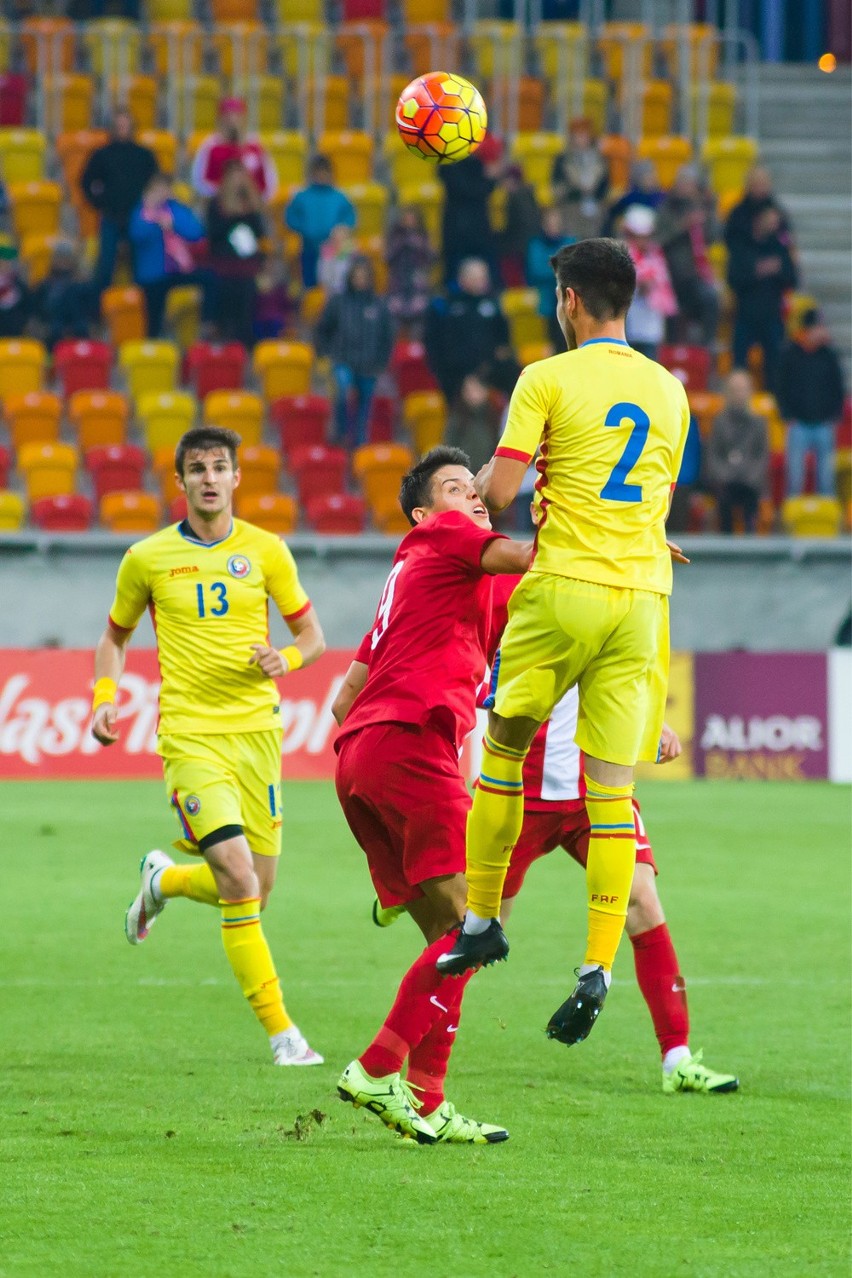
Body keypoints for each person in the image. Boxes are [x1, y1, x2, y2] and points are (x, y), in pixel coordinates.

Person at [438, 238, 691, 1056]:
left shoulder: (547, 377)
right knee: (613, 797)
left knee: (504, 750)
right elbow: (651, 503)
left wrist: (475, 486)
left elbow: (505, 492)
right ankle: (596, 970)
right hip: (644, 600)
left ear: (570, 301)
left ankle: (480, 921)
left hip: (567, 586)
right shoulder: (671, 389)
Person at [91, 425, 325, 1067]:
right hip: (191, 737)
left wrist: (288, 660)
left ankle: (163, 880)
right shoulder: (147, 558)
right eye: (198, 470)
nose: (210, 479)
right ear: (181, 482)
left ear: (236, 477)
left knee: (253, 889)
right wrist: (103, 696)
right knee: (242, 882)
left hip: (258, 736)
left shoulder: (268, 551)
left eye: (220, 467)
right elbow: (114, 637)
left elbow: (313, 636)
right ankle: (284, 1035)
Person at [331, 446, 532, 1144]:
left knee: (454, 942)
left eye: (475, 485)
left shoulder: (429, 574)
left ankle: (426, 1099)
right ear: (423, 512)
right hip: (409, 745)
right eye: (456, 487)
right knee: (473, 929)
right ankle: (378, 1067)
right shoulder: (441, 537)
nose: (475, 493)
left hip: (363, 755)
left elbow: (340, 697)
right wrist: (619, 539)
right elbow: (527, 559)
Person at [314, 257, 394, 449]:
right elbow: (322, 329)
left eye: (363, 276)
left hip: (369, 364)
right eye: (356, 276)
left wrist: (381, 362)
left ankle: (359, 442)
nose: (360, 280)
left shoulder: (379, 305)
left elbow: (387, 337)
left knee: (365, 405)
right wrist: (325, 353)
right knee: (342, 392)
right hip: (343, 359)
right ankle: (341, 433)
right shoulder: (338, 302)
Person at [80, 108, 158, 293]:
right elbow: (86, 181)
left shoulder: (144, 155)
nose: (122, 129)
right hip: (111, 216)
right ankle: (99, 311)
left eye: (126, 125)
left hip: (139, 217)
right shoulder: (101, 155)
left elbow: (156, 182)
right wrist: (100, 202)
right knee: (105, 267)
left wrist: (149, 206)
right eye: (119, 125)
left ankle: (139, 309)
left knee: (140, 268)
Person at [424, 257, 516, 405]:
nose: (482, 282)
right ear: (462, 279)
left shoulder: (493, 304)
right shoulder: (446, 307)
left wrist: (484, 375)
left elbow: (503, 342)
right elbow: (440, 348)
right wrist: (467, 379)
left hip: (489, 371)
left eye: (483, 278)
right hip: (456, 375)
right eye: (476, 278)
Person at [727, 203, 797, 392]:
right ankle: (738, 397)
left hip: (772, 315)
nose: (774, 226)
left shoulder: (780, 247)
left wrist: (778, 270)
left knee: (774, 364)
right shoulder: (742, 246)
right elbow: (733, 278)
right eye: (770, 221)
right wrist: (758, 270)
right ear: (759, 220)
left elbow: (793, 278)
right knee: (739, 362)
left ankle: (772, 404)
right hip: (745, 314)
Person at [777, 308, 846, 498]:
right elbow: (780, 386)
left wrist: (834, 416)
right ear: (808, 329)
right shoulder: (790, 353)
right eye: (819, 327)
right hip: (798, 423)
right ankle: (792, 520)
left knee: (826, 480)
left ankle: (826, 522)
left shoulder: (829, 355)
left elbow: (838, 388)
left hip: (823, 424)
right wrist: (787, 414)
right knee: (795, 479)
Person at [128, 172, 207, 338]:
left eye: (165, 188)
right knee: (154, 306)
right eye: (157, 189)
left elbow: (196, 232)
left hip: (179, 270)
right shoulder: (140, 213)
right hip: (153, 275)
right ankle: (153, 339)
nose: (161, 193)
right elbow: (137, 236)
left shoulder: (176, 210)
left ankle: (207, 326)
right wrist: (154, 221)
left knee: (210, 280)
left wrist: (173, 225)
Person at [655, 165, 720, 348]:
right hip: (669, 275)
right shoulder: (665, 208)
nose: (685, 188)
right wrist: (683, 225)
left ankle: (705, 348)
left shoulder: (700, 208)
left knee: (710, 299)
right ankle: (670, 351)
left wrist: (711, 210)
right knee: (670, 313)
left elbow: (714, 236)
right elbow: (658, 240)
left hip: (694, 275)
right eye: (682, 183)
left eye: (689, 184)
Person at [205, 159, 266, 348]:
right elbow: (213, 234)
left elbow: (259, 232)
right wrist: (234, 216)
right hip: (225, 265)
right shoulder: (217, 204)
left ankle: (244, 344)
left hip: (247, 266)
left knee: (248, 302)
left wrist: (246, 211)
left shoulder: (251, 202)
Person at [704, 370, 769, 533]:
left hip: (749, 482)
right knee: (723, 498)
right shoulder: (719, 421)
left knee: (751, 500)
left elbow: (761, 457)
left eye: (742, 390)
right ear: (727, 393)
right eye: (734, 390)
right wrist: (726, 475)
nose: (739, 394)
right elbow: (713, 455)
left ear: (750, 392)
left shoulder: (759, 423)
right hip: (725, 481)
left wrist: (748, 476)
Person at [285, 155, 355, 289]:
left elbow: (349, 218)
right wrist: (304, 229)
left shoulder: (339, 197)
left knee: (334, 285)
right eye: (318, 172)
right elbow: (290, 217)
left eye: (325, 172)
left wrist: (340, 230)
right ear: (312, 173)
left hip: (334, 248)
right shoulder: (302, 196)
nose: (322, 175)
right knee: (310, 285)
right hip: (309, 246)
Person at [437, 139, 502, 286]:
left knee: (485, 281)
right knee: (454, 280)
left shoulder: (476, 162)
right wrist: (489, 180)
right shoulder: (450, 163)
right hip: (458, 232)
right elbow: (466, 189)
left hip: (478, 231)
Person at [190, 97, 277, 202]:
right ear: (221, 119)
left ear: (244, 118)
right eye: (228, 116)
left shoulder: (256, 146)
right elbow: (199, 181)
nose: (233, 120)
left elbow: (270, 183)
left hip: (252, 206)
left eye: (236, 115)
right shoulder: (210, 146)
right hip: (219, 206)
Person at [621, 205, 678, 361]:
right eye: (639, 236)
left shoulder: (656, 255)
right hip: (628, 323)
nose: (643, 240)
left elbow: (663, 284)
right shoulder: (622, 255)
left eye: (646, 236)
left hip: (652, 323)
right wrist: (638, 285)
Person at [551, 116, 609, 241]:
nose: (581, 138)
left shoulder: (600, 159)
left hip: (594, 208)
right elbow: (556, 186)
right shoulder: (563, 159)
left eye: (584, 134)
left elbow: (605, 185)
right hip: (571, 207)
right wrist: (574, 187)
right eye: (578, 135)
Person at [526, 207, 576, 350]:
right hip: (545, 302)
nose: (553, 228)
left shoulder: (570, 242)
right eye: (549, 224)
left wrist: (553, 268)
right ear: (543, 225)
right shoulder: (535, 244)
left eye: (556, 224)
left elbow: (573, 269)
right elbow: (536, 270)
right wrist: (560, 269)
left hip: (567, 303)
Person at [29, 240, 93, 348]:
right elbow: (37, 310)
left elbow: (89, 309)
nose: (63, 261)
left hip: (77, 324)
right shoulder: (44, 285)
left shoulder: (82, 284)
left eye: (66, 257)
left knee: (80, 327)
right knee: (53, 329)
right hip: (52, 325)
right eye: (60, 257)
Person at [385, 206, 435, 332]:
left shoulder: (423, 237)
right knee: (394, 320)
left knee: (419, 320)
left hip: (417, 285)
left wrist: (419, 245)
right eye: (406, 219)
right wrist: (401, 244)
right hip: (398, 284)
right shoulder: (395, 237)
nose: (409, 222)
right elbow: (387, 258)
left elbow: (431, 259)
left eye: (412, 219)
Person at [723, 165, 792, 253]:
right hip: (746, 258)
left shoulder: (776, 212)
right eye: (757, 184)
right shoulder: (738, 213)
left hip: (774, 258)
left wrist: (775, 230)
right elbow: (731, 240)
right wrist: (757, 231)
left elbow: (785, 238)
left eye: (764, 184)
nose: (761, 188)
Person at [444, 373, 504, 473]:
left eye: (476, 390)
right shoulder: (457, 418)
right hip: (465, 473)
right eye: (467, 391)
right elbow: (449, 446)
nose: (471, 395)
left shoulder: (494, 415)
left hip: (489, 472)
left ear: (485, 391)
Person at [497, 164, 541, 288]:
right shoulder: (528, 194)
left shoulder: (516, 197)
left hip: (518, 249)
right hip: (526, 247)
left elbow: (515, 225)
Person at [602, 160, 665, 237]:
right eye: (648, 177)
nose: (651, 180)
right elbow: (612, 215)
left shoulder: (660, 198)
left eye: (653, 177)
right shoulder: (630, 197)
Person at [0, 241, 31, 337]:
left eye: (6, 263)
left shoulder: (20, 286)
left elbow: (27, 309)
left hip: (16, 331)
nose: (3, 266)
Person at [317, 223, 356, 296]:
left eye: (342, 239)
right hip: (330, 292)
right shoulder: (326, 257)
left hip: (349, 292)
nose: (339, 243)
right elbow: (322, 277)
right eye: (336, 239)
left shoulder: (353, 255)